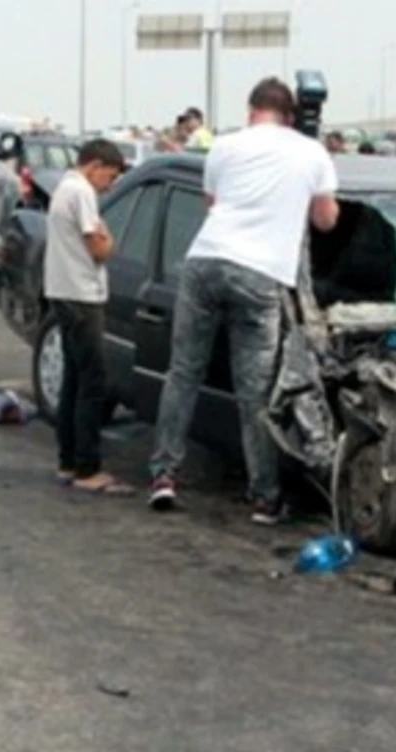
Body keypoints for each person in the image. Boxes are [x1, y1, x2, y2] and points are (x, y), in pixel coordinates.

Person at [147, 77, 340, 524]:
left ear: (252, 110)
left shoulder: (224, 146)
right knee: (254, 393)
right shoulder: (312, 152)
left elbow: (213, 205)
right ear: (291, 116)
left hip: (204, 262)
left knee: (183, 374)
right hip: (260, 275)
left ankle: (162, 476)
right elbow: (326, 220)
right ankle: (265, 497)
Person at [42, 139, 130, 494]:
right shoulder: (81, 193)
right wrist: (109, 242)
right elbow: (99, 246)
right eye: (109, 176)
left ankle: (68, 460)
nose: (109, 185)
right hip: (82, 294)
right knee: (93, 382)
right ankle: (87, 467)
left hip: (63, 291)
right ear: (94, 165)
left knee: (73, 381)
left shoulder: (62, 189)